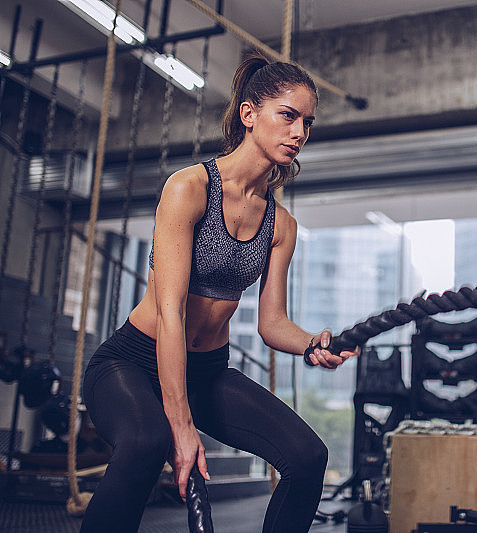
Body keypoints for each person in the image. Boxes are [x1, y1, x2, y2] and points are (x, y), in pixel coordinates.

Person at [80, 51, 359, 533]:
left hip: (207, 371)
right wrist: (180, 423)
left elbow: (271, 324)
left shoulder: (281, 226)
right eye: (287, 116)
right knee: (147, 443)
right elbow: (171, 312)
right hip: (131, 363)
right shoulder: (189, 188)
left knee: (308, 455)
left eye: (307, 123)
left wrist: (311, 343)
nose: (299, 133)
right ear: (250, 114)